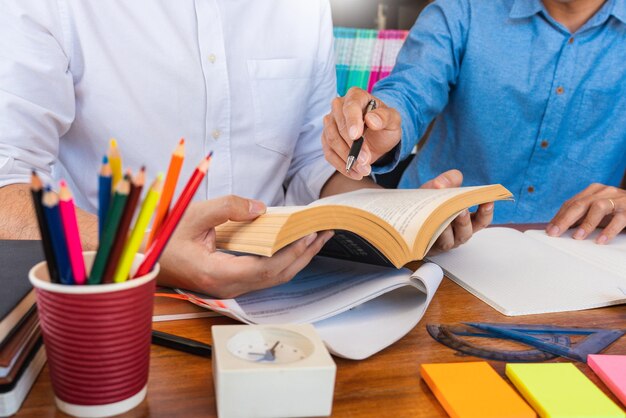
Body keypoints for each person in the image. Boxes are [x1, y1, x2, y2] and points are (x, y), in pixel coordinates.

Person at [0, 0, 469, 298]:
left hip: (290, 295)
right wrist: (150, 250)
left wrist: (400, 217)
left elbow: (309, 162)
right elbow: (6, 193)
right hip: (115, 297)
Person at [322, 0, 626, 244]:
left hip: (574, 249)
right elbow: (409, 91)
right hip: (430, 239)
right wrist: (385, 121)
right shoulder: (461, 10)